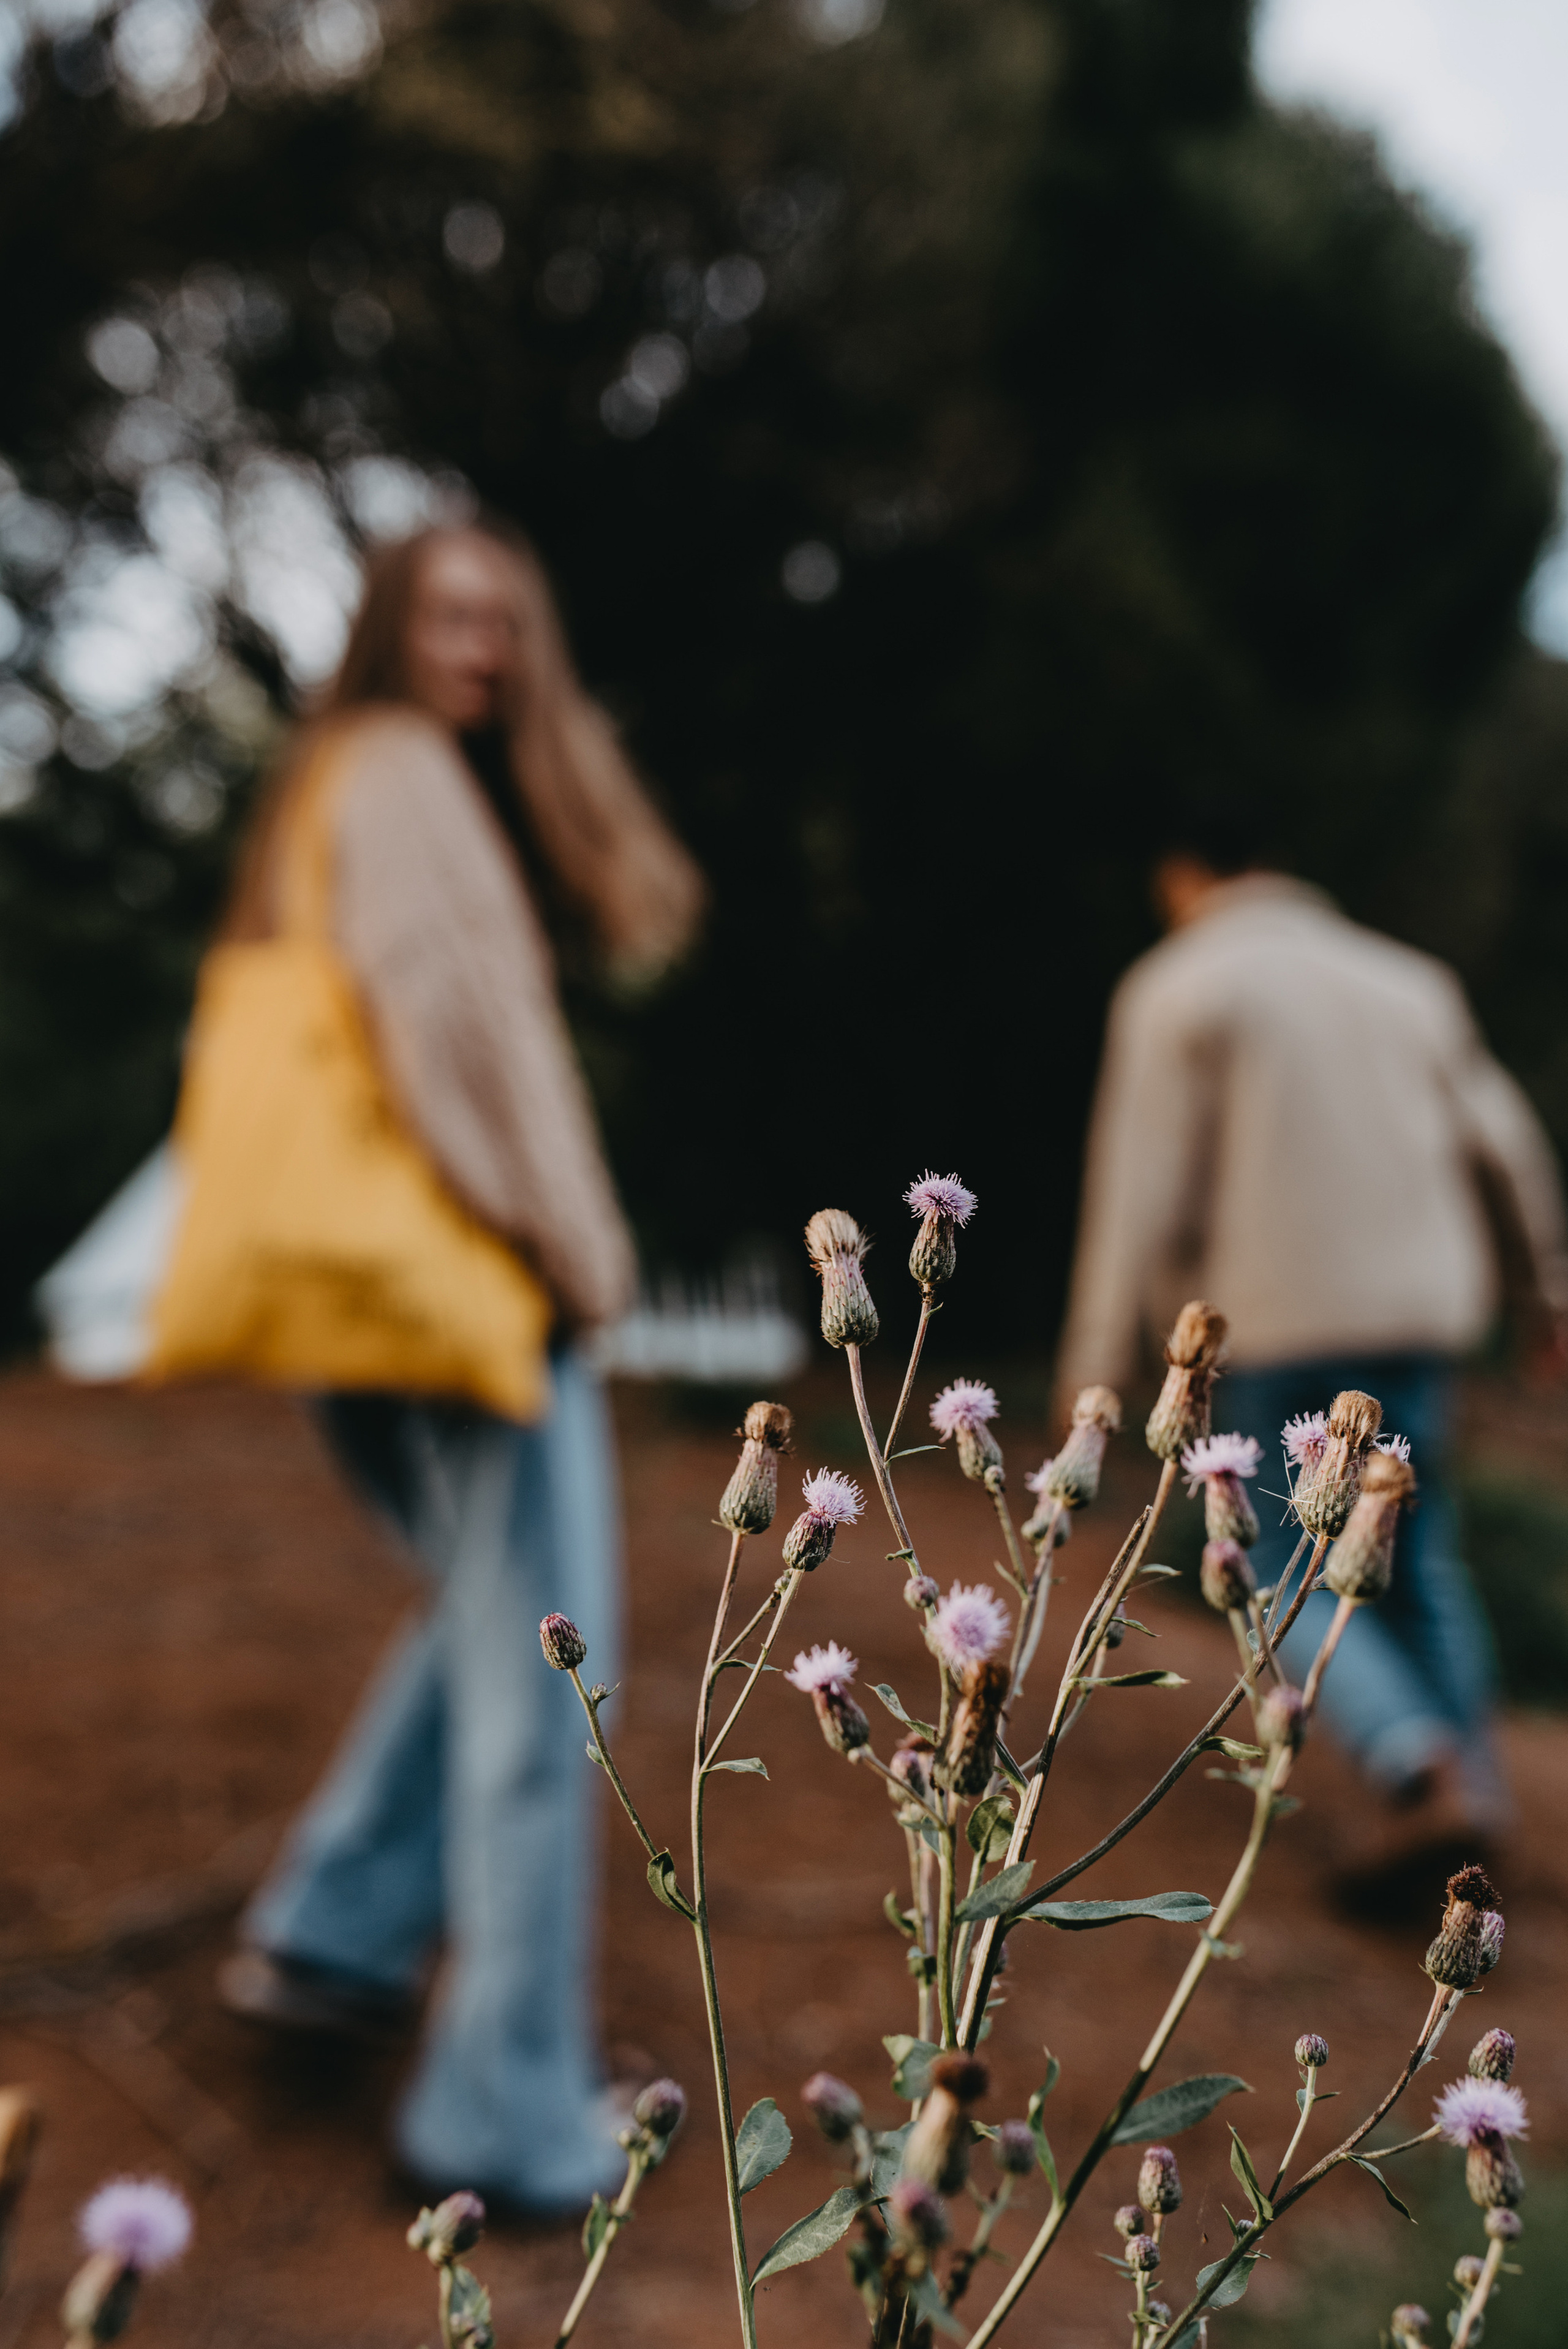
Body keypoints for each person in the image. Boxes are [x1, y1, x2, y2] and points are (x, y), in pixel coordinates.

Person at [207, 524, 703, 2208]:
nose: (481, 646)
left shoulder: (333, 777)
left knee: (495, 1624)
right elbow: (434, 1022)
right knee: (554, 1681)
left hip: (368, 1292)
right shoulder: (403, 767)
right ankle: (500, 2109)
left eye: (504, 618)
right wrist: (565, 1243)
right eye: (449, 612)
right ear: (387, 626)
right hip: (469, 1277)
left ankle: (334, 1930)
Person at [1056, 834, 1568, 1883]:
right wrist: (1543, 1298)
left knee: (1270, 1563)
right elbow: (1508, 1148)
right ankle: (1476, 1792)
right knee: (1419, 1560)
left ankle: (1414, 1763)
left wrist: (1094, 1382)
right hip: (1421, 1322)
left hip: (1277, 1325)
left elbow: (1134, 1197)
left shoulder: (1179, 987)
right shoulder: (1409, 982)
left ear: (1186, 876)